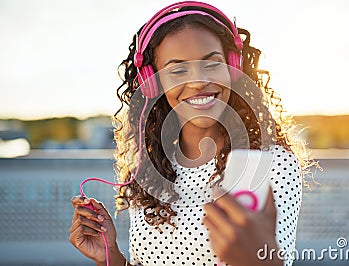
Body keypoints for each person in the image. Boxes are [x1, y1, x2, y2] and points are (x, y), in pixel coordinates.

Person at [69, 1, 314, 265]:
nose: (198, 81)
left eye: (212, 64)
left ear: (233, 67)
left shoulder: (270, 164)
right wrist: (110, 257)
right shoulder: (149, 170)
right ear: (153, 83)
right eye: (178, 70)